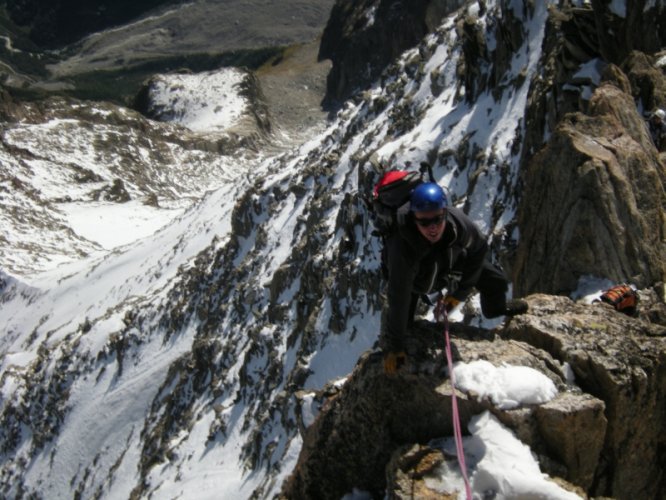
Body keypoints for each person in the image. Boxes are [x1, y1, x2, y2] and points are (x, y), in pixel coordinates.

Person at [380, 182, 528, 374]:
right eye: (424, 222)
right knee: (403, 323)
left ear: (445, 213)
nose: (432, 228)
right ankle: (391, 341)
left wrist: (460, 294)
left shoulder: (457, 224)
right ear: (413, 219)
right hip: (415, 280)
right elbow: (398, 296)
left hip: (448, 264)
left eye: (438, 220)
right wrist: (396, 347)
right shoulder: (403, 247)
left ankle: (496, 308)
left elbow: (479, 248)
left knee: (495, 280)